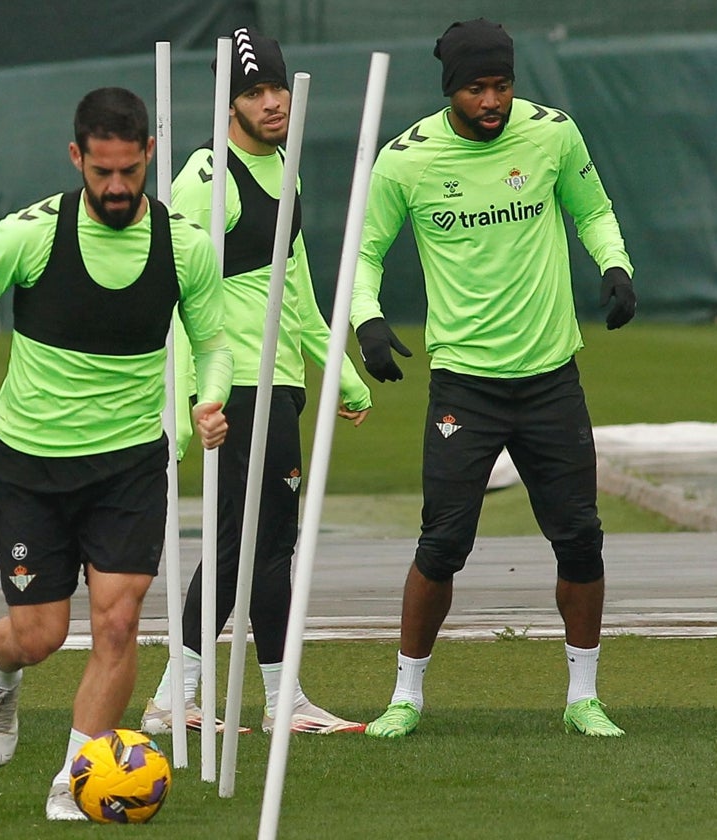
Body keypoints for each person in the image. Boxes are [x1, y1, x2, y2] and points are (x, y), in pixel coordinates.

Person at [0, 86, 232, 820]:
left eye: (130, 170)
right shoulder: (31, 234)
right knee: (40, 633)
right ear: (76, 158)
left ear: (149, 154)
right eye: (102, 173)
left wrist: (207, 400)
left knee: (118, 622)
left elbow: (214, 342)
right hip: (30, 463)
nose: (117, 187)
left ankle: (76, 776)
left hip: (128, 464)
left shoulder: (185, 246)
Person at [351, 19, 637, 739]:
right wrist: (367, 320)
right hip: (464, 384)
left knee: (579, 537)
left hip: (550, 376)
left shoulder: (553, 135)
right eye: (477, 88)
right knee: (442, 543)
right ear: (452, 89)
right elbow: (365, 252)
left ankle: (583, 696)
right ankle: (406, 695)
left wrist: (615, 264)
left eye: (502, 86)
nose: (492, 101)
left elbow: (593, 210)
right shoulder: (404, 162)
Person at [140, 28, 372, 738]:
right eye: (254, 93)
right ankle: (188, 699)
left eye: (277, 87)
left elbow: (292, 285)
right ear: (227, 104)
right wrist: (191, 400)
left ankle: (268, 698)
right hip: (235, 388)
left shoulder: (286, 166)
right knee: (252, 545)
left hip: (280, 384)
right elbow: (172, 293)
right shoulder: (205, 179)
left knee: (265, 543)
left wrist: (343, 376)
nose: (272, 103)